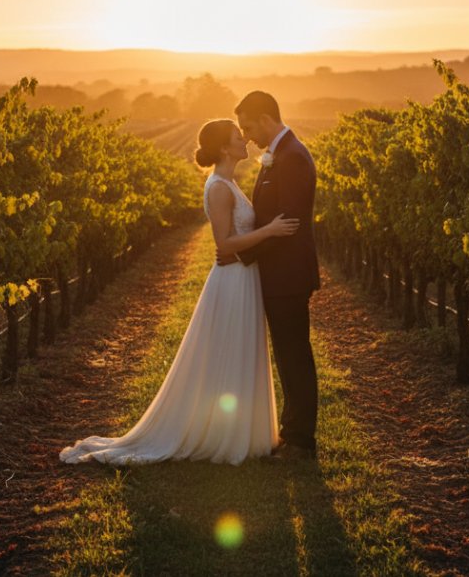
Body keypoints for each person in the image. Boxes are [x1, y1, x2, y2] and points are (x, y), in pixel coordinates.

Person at [59, 119, 299, 465]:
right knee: (229, 351)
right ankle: (225, 437)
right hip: (232, 279)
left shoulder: (228, 182)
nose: (244, 139)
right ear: (223, 148)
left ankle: (241, 431)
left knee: (238, 350)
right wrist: (271, 231)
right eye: (237, 137)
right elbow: (225, 244)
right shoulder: (218, 187)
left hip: (243, 278)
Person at [220, 91, 321, 461]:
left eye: (248, 126)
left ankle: (301, 441)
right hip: (280, 274)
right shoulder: (281, 153)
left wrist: (240, 251)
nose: (246, 136)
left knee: (294, 356)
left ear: (265, 119)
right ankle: (292, 433)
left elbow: (288, 225)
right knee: (288, 354)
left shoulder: (292, 157)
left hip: (288, 275)